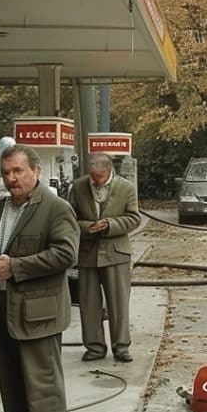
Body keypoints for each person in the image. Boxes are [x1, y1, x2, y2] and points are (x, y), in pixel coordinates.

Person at [0, 144, 79, 412]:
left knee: (42, 384)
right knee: (12, 380)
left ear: (35, 170)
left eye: (18, 171)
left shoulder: (55, 208)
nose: (11, 178)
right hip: (3, 306)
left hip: (39, 312)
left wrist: (15, 267)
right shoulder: (0, 208)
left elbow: (65, 254)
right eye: (6, 172)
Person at [68, 153, 140, 362]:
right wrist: (86, 227)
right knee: (88, 303)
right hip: (87, 253)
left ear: (109, 171)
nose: (95, 181)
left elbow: (134, 218)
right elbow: (68, 218)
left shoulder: (126, 188)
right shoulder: (78, 187)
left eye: (99, 177)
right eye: (92, 177)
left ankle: (121, 347)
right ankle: (95, 347)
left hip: (116, 252)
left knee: (118, 303)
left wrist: (110, 224)